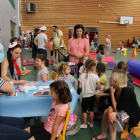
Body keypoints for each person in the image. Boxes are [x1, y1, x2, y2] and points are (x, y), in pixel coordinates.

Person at [92, 69, 140, 140]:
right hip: (123, 110)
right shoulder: (115, 88)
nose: (109, 79)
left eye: (111, 78)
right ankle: (103, 135)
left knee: (112, 117)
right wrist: (110, 112)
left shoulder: (127, 91)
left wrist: (111, 93)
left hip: (132, 115)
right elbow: (111, 104)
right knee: (106, 112)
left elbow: (118, 109)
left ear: (117, 80)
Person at [78, 59, 101, 129]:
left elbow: (79, 87)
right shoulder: (95, 76)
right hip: (92, 95)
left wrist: (85, 88)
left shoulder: (82, 75)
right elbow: (99, 86)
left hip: (85, 96)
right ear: (93, 67)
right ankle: (91, 124)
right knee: (91, 109)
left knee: (84, 110)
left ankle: (85, 124)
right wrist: (95, 88)